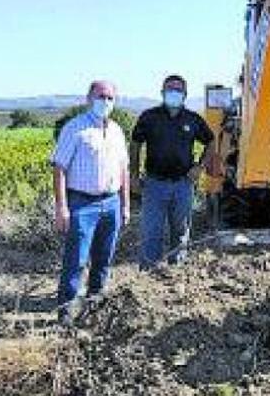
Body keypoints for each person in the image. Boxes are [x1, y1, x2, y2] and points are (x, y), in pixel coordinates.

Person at [51, 80, 130, 325]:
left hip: (111, 203)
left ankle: (95, 306)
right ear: (88, 99)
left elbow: (124, 169)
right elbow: (59, 168)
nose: (105, 102)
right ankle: (66, 313)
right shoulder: (74, 128)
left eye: (109, 98)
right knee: (76, 260)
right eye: (100, 96)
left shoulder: (117, 130)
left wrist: (125, 205)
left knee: (104, 259)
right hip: (82, 204)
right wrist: (62, 207)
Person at [130, 75, 215, 269]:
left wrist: (199, 167)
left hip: (183, 185)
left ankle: (176, 272)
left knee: (180, 231)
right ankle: (148, 274)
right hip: (154, 184)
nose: (174, 93)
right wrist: (133, 175)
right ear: (162, 92)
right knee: (152, 232)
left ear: (184, 95)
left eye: (178, 90)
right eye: (170, 89)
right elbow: (135, 144)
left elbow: (210, 142)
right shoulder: (149, 117)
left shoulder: (193, 120)